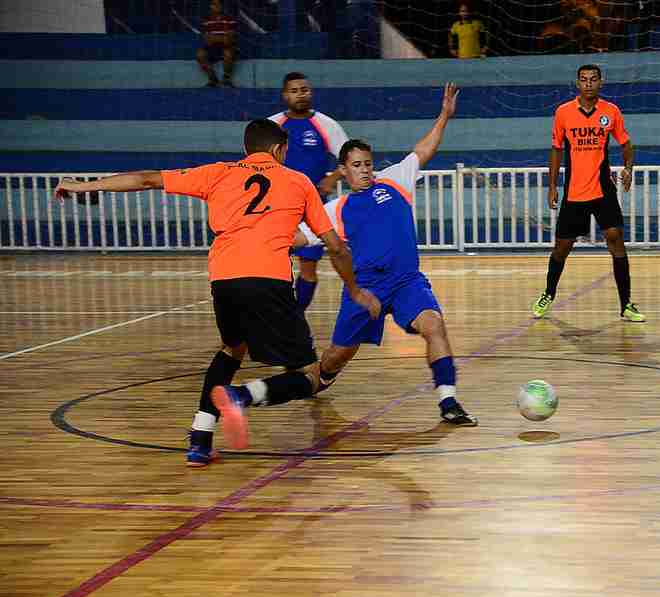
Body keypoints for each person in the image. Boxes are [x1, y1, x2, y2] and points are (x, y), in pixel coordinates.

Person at [54, 120, 381, 467]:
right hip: (268, 278)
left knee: (232, 349)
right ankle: (241, 396)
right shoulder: (298, 181)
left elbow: (146, 178)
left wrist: (82, 185)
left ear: (247, 149)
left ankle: (200, 437)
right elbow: (336, 248)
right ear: (278, 151)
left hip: (224, 278)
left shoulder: (218, 173)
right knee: (310, 375)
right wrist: (355, 289)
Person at [314, 83, 478, 427]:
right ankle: (322, 377)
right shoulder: (335, 209)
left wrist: (444, 116)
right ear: (343, 170)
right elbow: (299, 238)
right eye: (357, 165)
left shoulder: (393, 181)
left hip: (406, 281)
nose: (365, 169)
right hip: (365, 289)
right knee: (335, 357)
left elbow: (422, 150)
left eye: (368, 163)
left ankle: (448, 400)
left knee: (434, 325)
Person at [531, 64, 643, 322]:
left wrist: (628, 168)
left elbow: (626, 144)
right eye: (584, 79)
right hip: (574, 192)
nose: (588, 83)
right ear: (577, 83)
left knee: (615, 238)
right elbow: (556, 150)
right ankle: (548, 294)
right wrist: (551, 187)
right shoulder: (563, 113)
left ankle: (626, 304)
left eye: (593, 79)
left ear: (601, 82)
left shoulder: (611, 111)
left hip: (603, 189)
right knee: (562, 248)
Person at [270, 72, 350, 312]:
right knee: (272, 263)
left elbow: (350, 157)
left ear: (311, 93)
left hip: (313, 208)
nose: (300, 95)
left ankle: (293, 317)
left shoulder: (326, 125)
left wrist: (332, 178)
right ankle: (272, 316)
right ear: (285, 95)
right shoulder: (272, 125)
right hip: (276, 207)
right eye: (294, 91)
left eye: (304, 90)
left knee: (308, 268)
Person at [196, 0, 237, 88]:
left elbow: (229, 39)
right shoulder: (206, 20)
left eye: (218, 4)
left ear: (222, 6)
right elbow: (207, 40)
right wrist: (221, 37)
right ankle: (213, 79)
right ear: (211, 6)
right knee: (200, 55)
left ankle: (226, 80)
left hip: (227, 46)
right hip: (211, 47)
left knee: (228, 54)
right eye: (214, 4)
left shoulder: (229, 18)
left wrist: (214, 37)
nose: (216, 6)